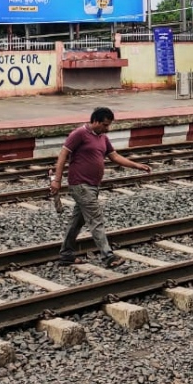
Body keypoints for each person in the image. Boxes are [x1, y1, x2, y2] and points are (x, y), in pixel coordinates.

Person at [50, 107, 151, 267]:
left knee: (77, 221)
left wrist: (137, 166)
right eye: (104, 125)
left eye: (108, 125)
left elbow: (114, 156)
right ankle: (108, 257)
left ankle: (66, 254)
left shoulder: (102, 138)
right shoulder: (79, 134)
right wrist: (57, 179)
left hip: (93, 186)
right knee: (96, 220)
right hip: (80, 185)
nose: (107, 129)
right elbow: (63, 154)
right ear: (95, 121)